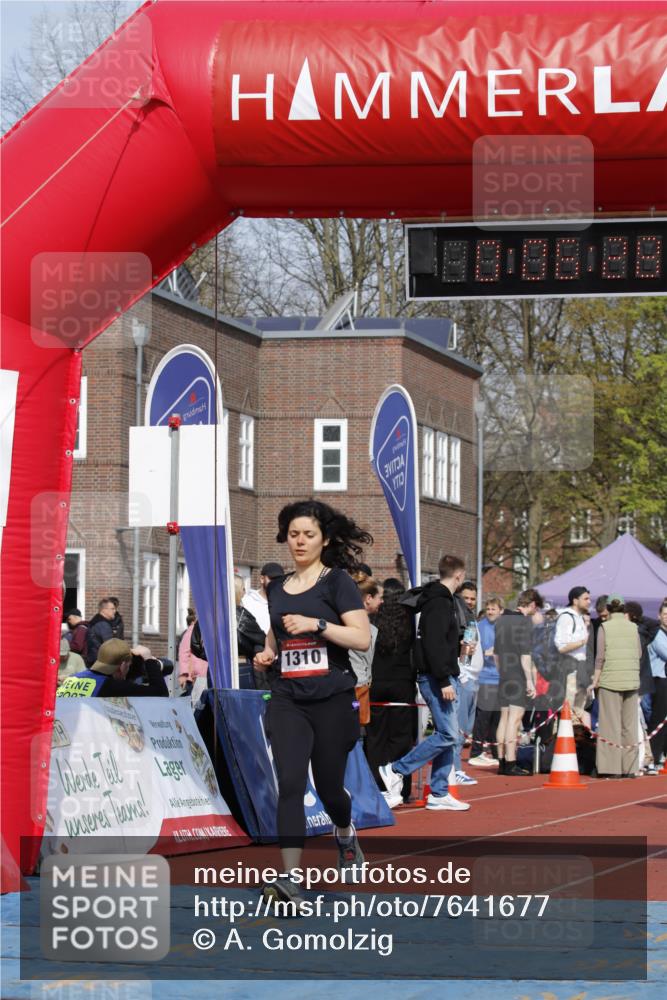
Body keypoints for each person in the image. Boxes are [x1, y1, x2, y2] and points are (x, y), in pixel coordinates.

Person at [253, 500, 372, 912]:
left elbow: (361, 638)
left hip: (332, 698)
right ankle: (289, 879)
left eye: (308, 534)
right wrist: (267, 653)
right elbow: (275, 635)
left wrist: (318, 625)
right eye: (293, 534)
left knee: (328, 788)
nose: (300, 541)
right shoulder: (278, 587)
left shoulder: (336, 581)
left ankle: (344, 830)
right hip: (288, 698)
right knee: (289, 782)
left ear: (324, 540)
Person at [378, 554, 471, 812]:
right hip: (436, 677)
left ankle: (439, 792)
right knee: (448, 734)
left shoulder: (439, 600)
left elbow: (438, 641)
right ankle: (396, 769)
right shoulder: (440, 602)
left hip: (440, 674)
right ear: (459, 576)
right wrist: (443, 679)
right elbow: (433, 643)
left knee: (448, 735)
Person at [365, 579, 417, 805]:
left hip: (377, 682)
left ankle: (376, 784)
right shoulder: (409, 622)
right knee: (401, 737)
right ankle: (401, 786)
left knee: (376, 737)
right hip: (401, 683)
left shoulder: (373, 619)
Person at [590, 595, 642, 778]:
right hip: (631, 680)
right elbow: (639, 652)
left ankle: (611, 768)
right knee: (629, 726)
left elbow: (600, 658)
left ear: (609, 610)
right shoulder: (633, 627)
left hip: (611, 680)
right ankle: (630, 767)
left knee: (609, 725)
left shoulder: (605, 627)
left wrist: (595, 681)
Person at [493, 589, 540, 776]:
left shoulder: (502, 620)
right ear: (533, 605)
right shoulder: (524, 622)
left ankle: (502, 761)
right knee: (515, 719)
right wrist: (530, 681)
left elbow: (496, 653)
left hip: (504, 674)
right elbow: (525, 654)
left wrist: (501, 672)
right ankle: (511, 763)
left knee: (504, 719)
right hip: (517, 676)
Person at [56, 638, 169, 698]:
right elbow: (160, 693)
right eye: (128, 666)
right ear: (123, 665)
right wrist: (148, 658)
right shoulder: (109, 686)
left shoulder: (72, 679)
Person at [469, 596, 504, 768]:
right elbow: (471, 647)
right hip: (485, 677)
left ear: (501, 611)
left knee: (497, 718)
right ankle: (476, 751)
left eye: (494, 609)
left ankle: (496, 752)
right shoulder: (480, 626)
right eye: (488, 609)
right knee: (483, 716)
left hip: (501, 678)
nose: (490, 612)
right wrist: (484, 651)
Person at [348, 572, 382, 728]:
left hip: (358, 683)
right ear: (368, 598)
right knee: (357, 730)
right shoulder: (366, 628)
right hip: (358, 685)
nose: (381, 601)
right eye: (379, 597)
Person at [554, 586, 591, 709]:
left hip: (580, 669)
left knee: (578, 709)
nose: (589, 602)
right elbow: (561, 647)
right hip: (569, 670)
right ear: (575, 601)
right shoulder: (566, 617)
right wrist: (581, 642)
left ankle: (575, 728)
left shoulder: (579, 618)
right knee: (566, 710)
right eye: (586, 599)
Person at [646, 598, 667, 771]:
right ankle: (653, 756)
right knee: (658, 720)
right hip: (657, 680)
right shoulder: (657, 634)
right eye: (665, 614)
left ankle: (660, 755)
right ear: (659, 616)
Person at [242, 562, 285, 636]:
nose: (276, 582)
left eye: (280, 579)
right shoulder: (246, 602)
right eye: (272, 578)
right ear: (262, 579)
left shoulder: (285, 603)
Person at [85, 598, 118, 666]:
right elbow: (109, 645)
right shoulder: (103, 624)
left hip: (93, 659)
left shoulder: (95, 621)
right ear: (104, 610)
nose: (115, 611)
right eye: (113, 608)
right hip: (101, 662)